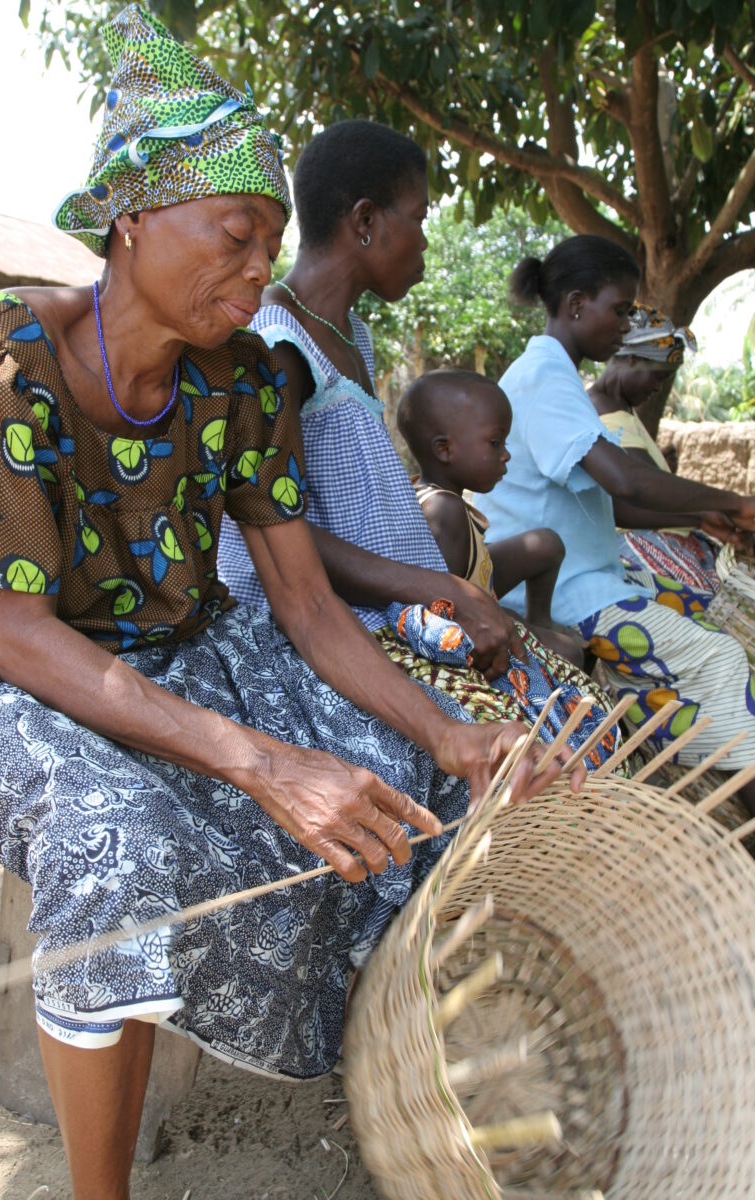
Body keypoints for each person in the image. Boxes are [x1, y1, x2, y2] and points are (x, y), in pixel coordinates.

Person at [0, 10, 575, 1198]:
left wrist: (447, 731)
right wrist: (263, 764)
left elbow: (303, 604)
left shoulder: (242, 379)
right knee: (112, 847)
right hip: (8, 679)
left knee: (428, 774)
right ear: (132, 217)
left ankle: (403, 1066)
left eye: (266, 247)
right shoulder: (2, 357)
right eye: (234, 238)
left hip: (195, 649)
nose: (256, 275)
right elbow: (20, 637)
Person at [217, 120, 618, 763]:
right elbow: (275, 534)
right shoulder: (279, 344)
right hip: (323, 630)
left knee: (573, 703)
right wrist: (450, 591)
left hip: (391, 611)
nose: (426, 240)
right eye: (420, 217)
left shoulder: (351, 336)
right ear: (367, 221)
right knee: (532, 747)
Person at [471, 234, 755, 808]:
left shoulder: (554, 377)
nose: (626, 326)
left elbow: (614, 503)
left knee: (706, 608)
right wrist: (735, 502)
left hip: (589, 577)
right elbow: (625, 480)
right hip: (565, 594)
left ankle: (694, 756)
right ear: (577, 305)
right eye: (620, 310)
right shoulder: (546, 381)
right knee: (721, 658)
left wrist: (703, 512)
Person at [396, 368, 585, 667]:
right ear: (444, 449)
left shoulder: (436, 493)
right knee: (571, 653)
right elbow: (450, 612)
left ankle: (540, 620)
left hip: (479, 589)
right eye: (496, 442)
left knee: (545, 544)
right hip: (467, 624)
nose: (506, 455)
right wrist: (506, 621)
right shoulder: (445, 510)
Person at [588, 302, 738, 592]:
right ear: (631, 359)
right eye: (657, 376)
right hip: (644, 545)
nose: (658, 388)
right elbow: (636, 496)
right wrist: (713, 511)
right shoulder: (605, 414)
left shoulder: (621, 412)